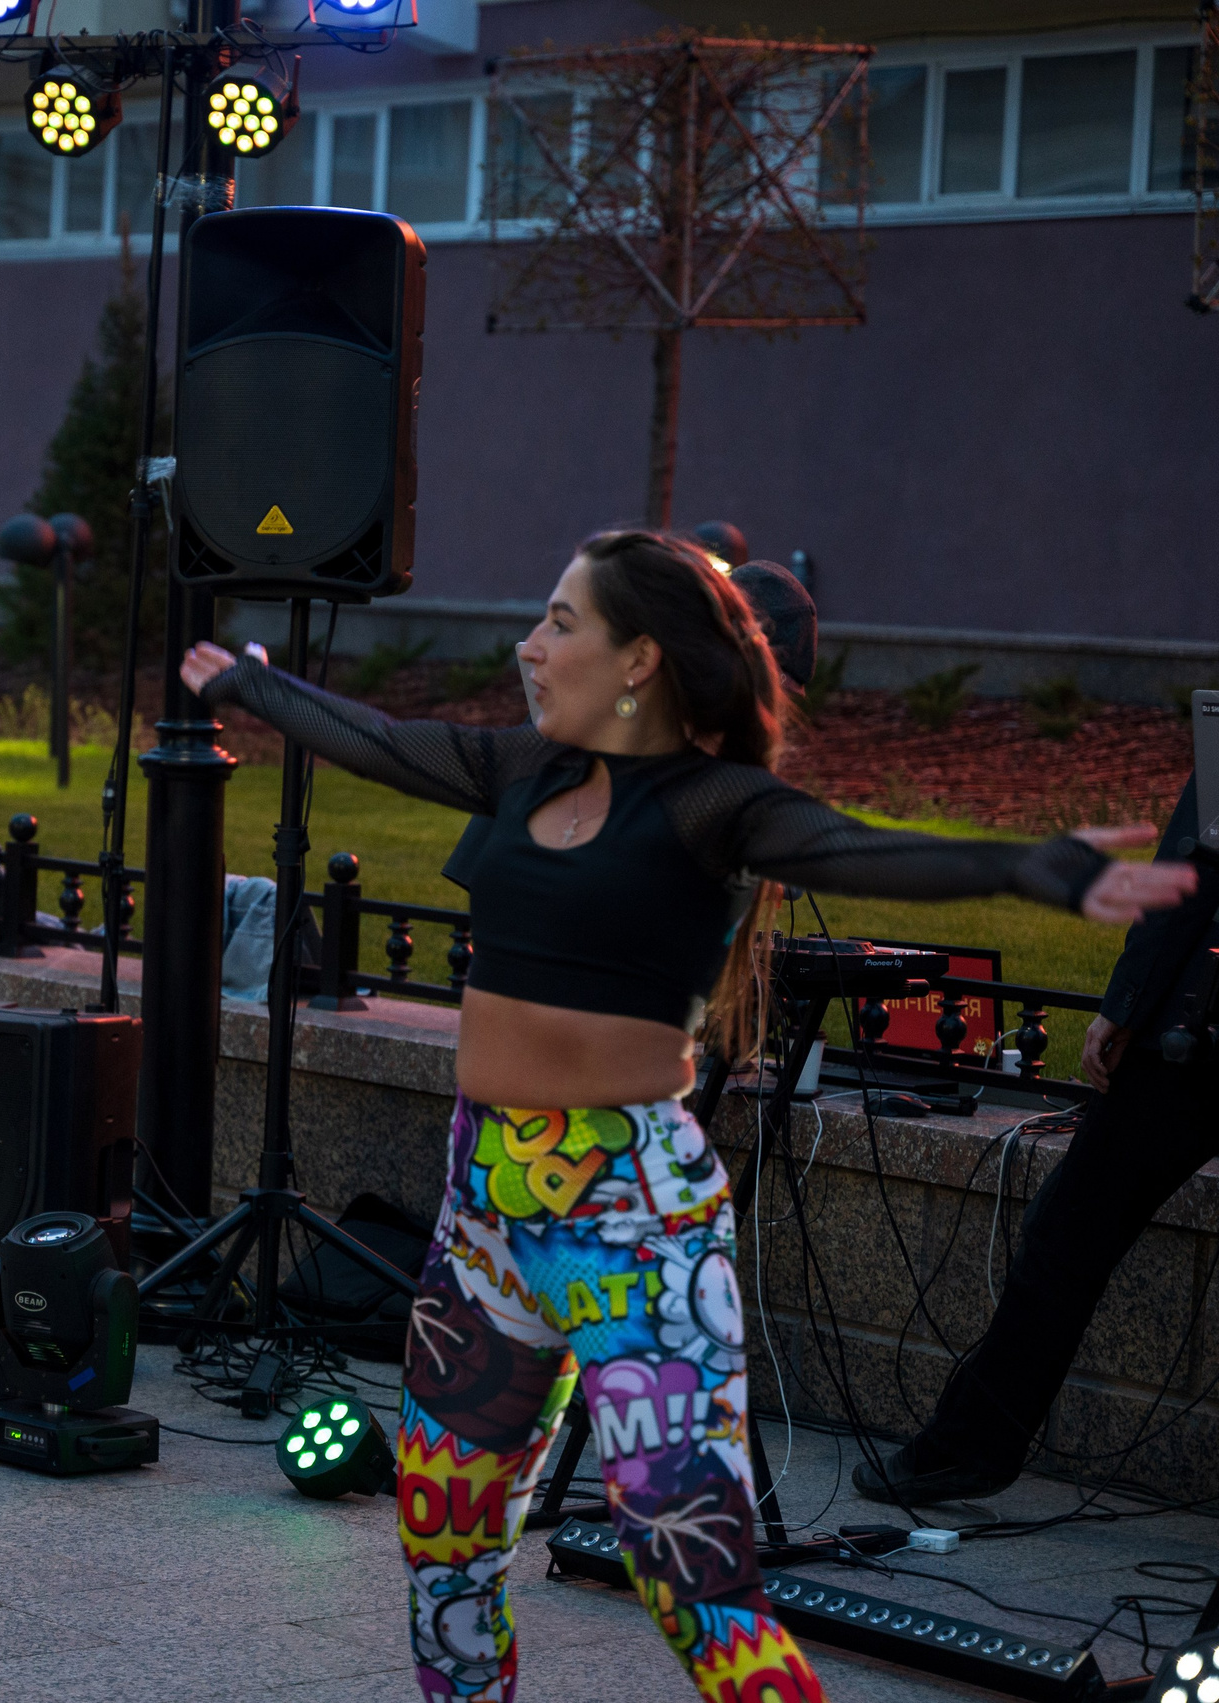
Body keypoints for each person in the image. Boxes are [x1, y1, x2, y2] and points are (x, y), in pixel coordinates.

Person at [179, 529, 1191, 1703]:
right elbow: (382, 740)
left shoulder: (715, 804)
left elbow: (857, 849)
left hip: (635, 1227)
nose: (528, 642)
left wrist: (1041, 871)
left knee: (691, 1576)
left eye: (560, 620)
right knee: (445, 1550)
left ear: (639, 659)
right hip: (484, 1215)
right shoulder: (526, 768)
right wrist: (246, 682)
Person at [857, 768, 1219, 1506]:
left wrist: (1128, 1000)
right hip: (1191, 1025)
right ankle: (968, 1445)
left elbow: (1194, 859)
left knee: (1070, 1232)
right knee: (1069, 1229)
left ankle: (969, 1446)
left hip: (1193, 1031)